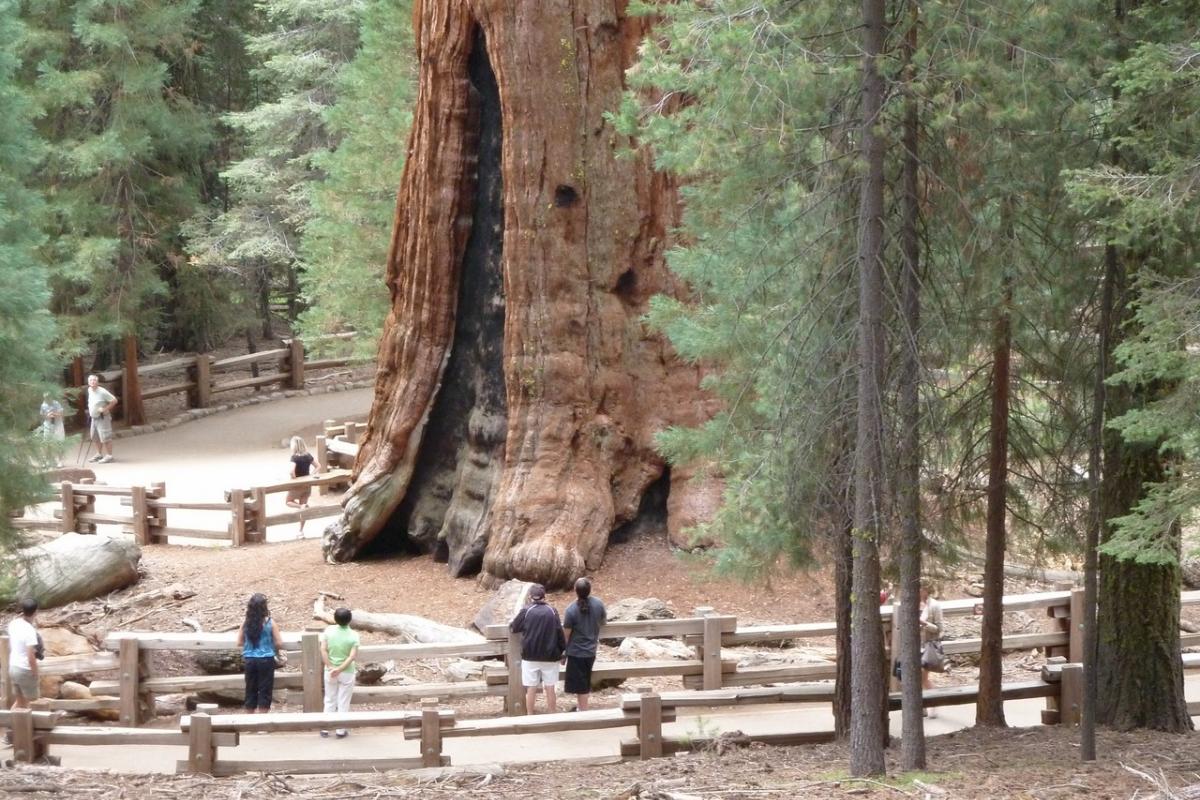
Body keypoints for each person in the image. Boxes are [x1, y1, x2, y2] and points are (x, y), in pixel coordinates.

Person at [509, 583, 565, 714]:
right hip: (550, 656)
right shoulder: (552, 611)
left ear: (530, 597)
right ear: (544, 597)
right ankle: (552, 714)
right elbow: (559, 633)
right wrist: (563, 651)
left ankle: (530, 715)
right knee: (550, 687)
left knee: (531, 688)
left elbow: (513, 627)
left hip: (530, 655)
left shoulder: (526, 611)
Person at [235, 593, 284, 714]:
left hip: (250, 660)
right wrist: (268, 644)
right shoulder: (270, 623)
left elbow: (239, 642)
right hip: (266, 659)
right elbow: (279, 643)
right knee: (265, 690)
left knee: (250, 689)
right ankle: (262, 723)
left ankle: (250, 719)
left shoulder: (246, 623)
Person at [562, 577, 606, 711]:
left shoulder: (571, 610)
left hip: (576, 653)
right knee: (584, 682)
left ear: (575, 590)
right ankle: (581, 709)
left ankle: (583, 712)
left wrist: (563, 653)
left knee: (581, 686)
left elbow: (566, 635)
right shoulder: (598, 604)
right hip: (591, 651)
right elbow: (603, 622)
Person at [320, 607, 359, 738]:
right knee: (343, 701)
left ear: (335, 619)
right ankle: (340, 730)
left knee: (329, 698)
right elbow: (352, 656)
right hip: (347, 671)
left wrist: (331, 667)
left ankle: (325, 728)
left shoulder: (328, 631)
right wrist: (340, 669)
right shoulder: (354, 635)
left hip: (329, 671)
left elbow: (323, 650)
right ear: (350, 620)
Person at [7, 599, 40, 710]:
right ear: (36, 612)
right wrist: (35, 673)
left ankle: (9, 723)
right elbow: (31, 657)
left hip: (13, 667)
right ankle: (27, 725)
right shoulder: (30, 631)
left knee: (20, 702)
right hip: (24, 669)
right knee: (32, 700)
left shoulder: (13, 624)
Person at [919, 582, 944, 717]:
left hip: (927, 646)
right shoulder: (908, 603)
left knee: (923, 678)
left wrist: (924, 624)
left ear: (926, 590)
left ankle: (933, 704)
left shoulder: (934, 606)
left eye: (920, 589)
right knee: (913, 679)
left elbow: (939, 629)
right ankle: (920, 706)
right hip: (911, 646)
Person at [285, 436, 317, 534]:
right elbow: (318, 466)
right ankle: (301, 530)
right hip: (307, 484)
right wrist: (311, 475)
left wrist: (294, 478)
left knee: (288, 501)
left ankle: (301, 507)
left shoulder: (294, 457)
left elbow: (291, 471)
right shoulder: (308, 456)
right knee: (303, 504)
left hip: (297, 485)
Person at [85, 374, 117, 463]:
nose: (92, 382)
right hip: (93, 418)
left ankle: (109, 455)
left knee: (105, 436)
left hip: (103, 417)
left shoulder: (102, 391)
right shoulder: (89, 390)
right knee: (95, 436)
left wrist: (105, 409)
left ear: (98, 382)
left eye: (94, 380)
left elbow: (114, 400)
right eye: (91, 380)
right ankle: (99, 454)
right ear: (88, 382)